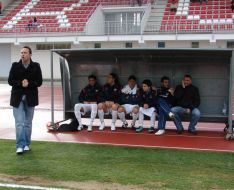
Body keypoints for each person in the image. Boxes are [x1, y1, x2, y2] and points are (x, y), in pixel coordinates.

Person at [8, 46, 43, 154]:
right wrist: (20, 83)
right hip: (17, 97)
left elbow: (39, 81)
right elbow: (10, 80)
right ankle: (19, 145)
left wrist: (29, 83)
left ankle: (26, 144)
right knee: (19, 123)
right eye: (21, 52)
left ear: (30, 54)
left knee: (28, 123)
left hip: (31, 97)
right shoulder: (15, 65)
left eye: (25, 52)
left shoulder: (36, 66)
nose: (23, 54)